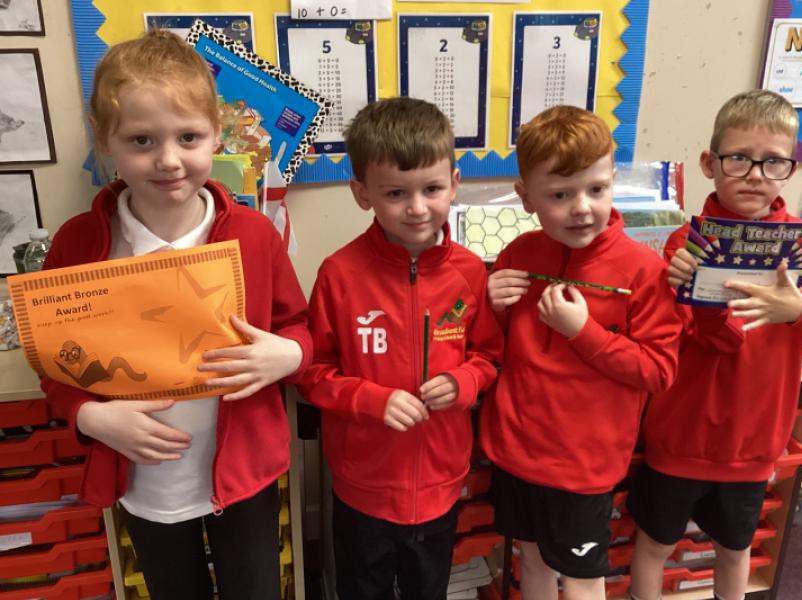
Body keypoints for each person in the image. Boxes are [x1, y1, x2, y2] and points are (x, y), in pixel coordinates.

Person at [40, 30, 312, 600]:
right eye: (141, 140)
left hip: (242, 472)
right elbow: (56, 361)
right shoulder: (81, 243)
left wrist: (288, 354)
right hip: (145, 478)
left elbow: (297, 327)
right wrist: (89, 417)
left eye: (188, 137)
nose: (168, 160)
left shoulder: (253, 235)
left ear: (216, 133)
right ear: (105, 139)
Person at [627, 90, 802, 600]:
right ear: (710, 164)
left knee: (735, 548)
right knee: (654, 543)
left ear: (790, 169)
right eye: (739, 158)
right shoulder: (685, 244)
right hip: (682, 435)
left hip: (754, 440)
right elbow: (693, 339)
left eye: (773, 162)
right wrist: (697, 297)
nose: (755, 175)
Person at [299, 97, 503, 599]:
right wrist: (372, 400)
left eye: (432, 189)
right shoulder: (339, 274)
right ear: (362, 193)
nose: (416, 208)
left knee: (427, 590)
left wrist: (463, 382)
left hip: (441, 483)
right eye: (395, 193)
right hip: (362, 487)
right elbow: (312, 372)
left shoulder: (470, 272)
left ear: (454, 183)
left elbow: (490, 357)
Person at [481, 105, 682, 600]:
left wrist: (583, 332)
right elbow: (497, 347)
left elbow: (658, 371)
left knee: (581, 576)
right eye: (560, 195)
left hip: (582, 465)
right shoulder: (519, 254)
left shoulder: (643, 272)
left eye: (596, 189)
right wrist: (493, 307)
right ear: (526, 197)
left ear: (613, 180)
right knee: (531, 558)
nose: (582, 208)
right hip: (516, 450)